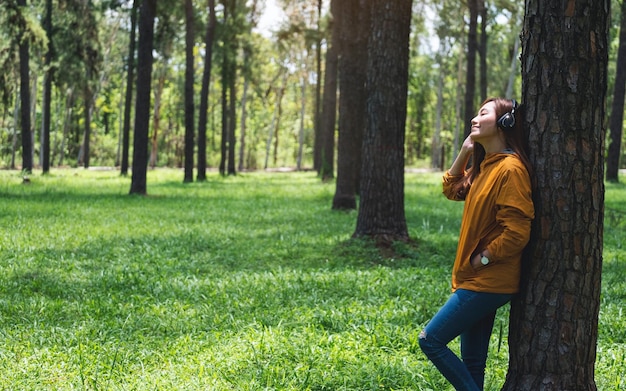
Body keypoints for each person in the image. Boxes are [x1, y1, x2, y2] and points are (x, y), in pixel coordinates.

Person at [418, 97, 535, 391]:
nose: (474, 118)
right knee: (473, 365)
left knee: (430, 340)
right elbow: (451, 189)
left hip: (488, 281)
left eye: (483, 113)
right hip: (474, 279)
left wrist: (482, 258)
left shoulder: (510, 170)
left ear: (504, 123)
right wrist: (464, 153)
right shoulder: (486, 167)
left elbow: (517, 231)